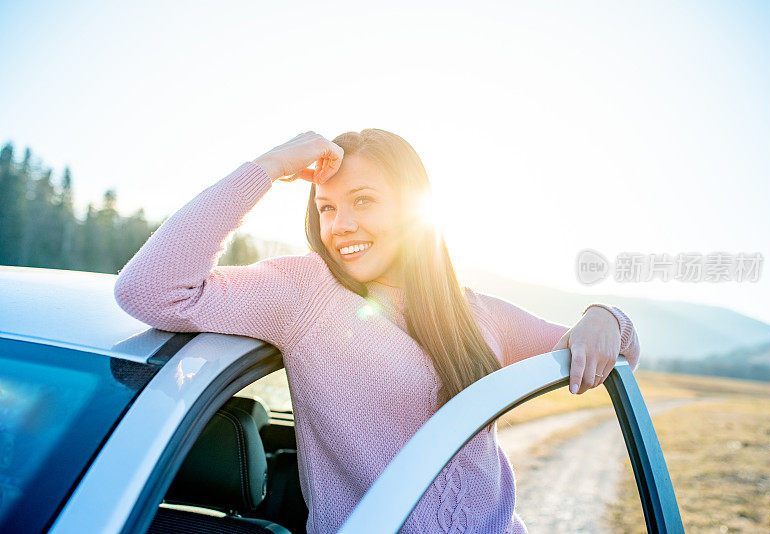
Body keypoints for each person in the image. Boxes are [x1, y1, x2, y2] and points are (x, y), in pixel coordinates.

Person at [114, 129, 641, 533]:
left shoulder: (473, 313)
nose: (339, 225)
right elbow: (151, 290)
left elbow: (612, 354)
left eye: (363, 201)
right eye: (326, 208)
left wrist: (605, 318)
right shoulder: (305, 292)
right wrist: (271, 167)